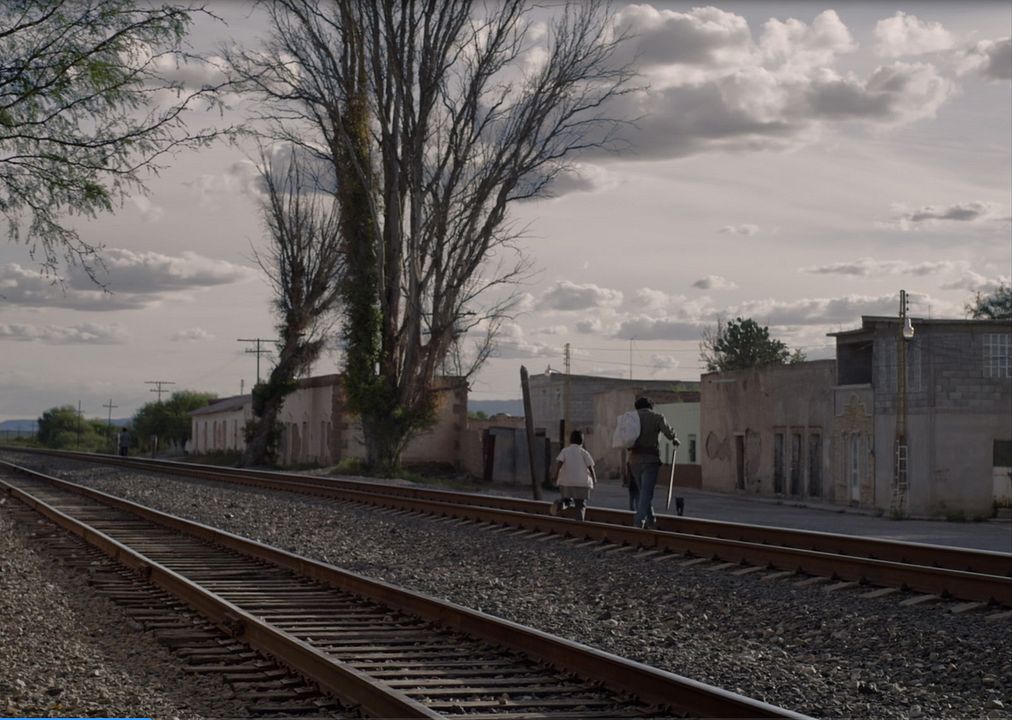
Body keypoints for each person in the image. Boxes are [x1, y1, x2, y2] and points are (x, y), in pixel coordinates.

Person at [628, 396, 679, 529]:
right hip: (650, 460)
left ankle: (651, 520)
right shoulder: (657, 417)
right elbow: (668, 433)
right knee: (646, 492)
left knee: (643, 491)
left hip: (634, 460)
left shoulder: (630, 418)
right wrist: (674, 439)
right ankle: (639, 521)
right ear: (651, 406)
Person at [550, 430, 596, 521]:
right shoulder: (584, 452)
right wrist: (594, 479)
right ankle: (580, 523)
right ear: (582, 441)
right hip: (582, 483)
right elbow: (590, 467)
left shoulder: (565, 451)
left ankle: (560, 504)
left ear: (570, 440)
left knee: (566, 499)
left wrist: (555, 476)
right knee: (580, 505)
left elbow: (559, 464)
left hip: (566, 482)